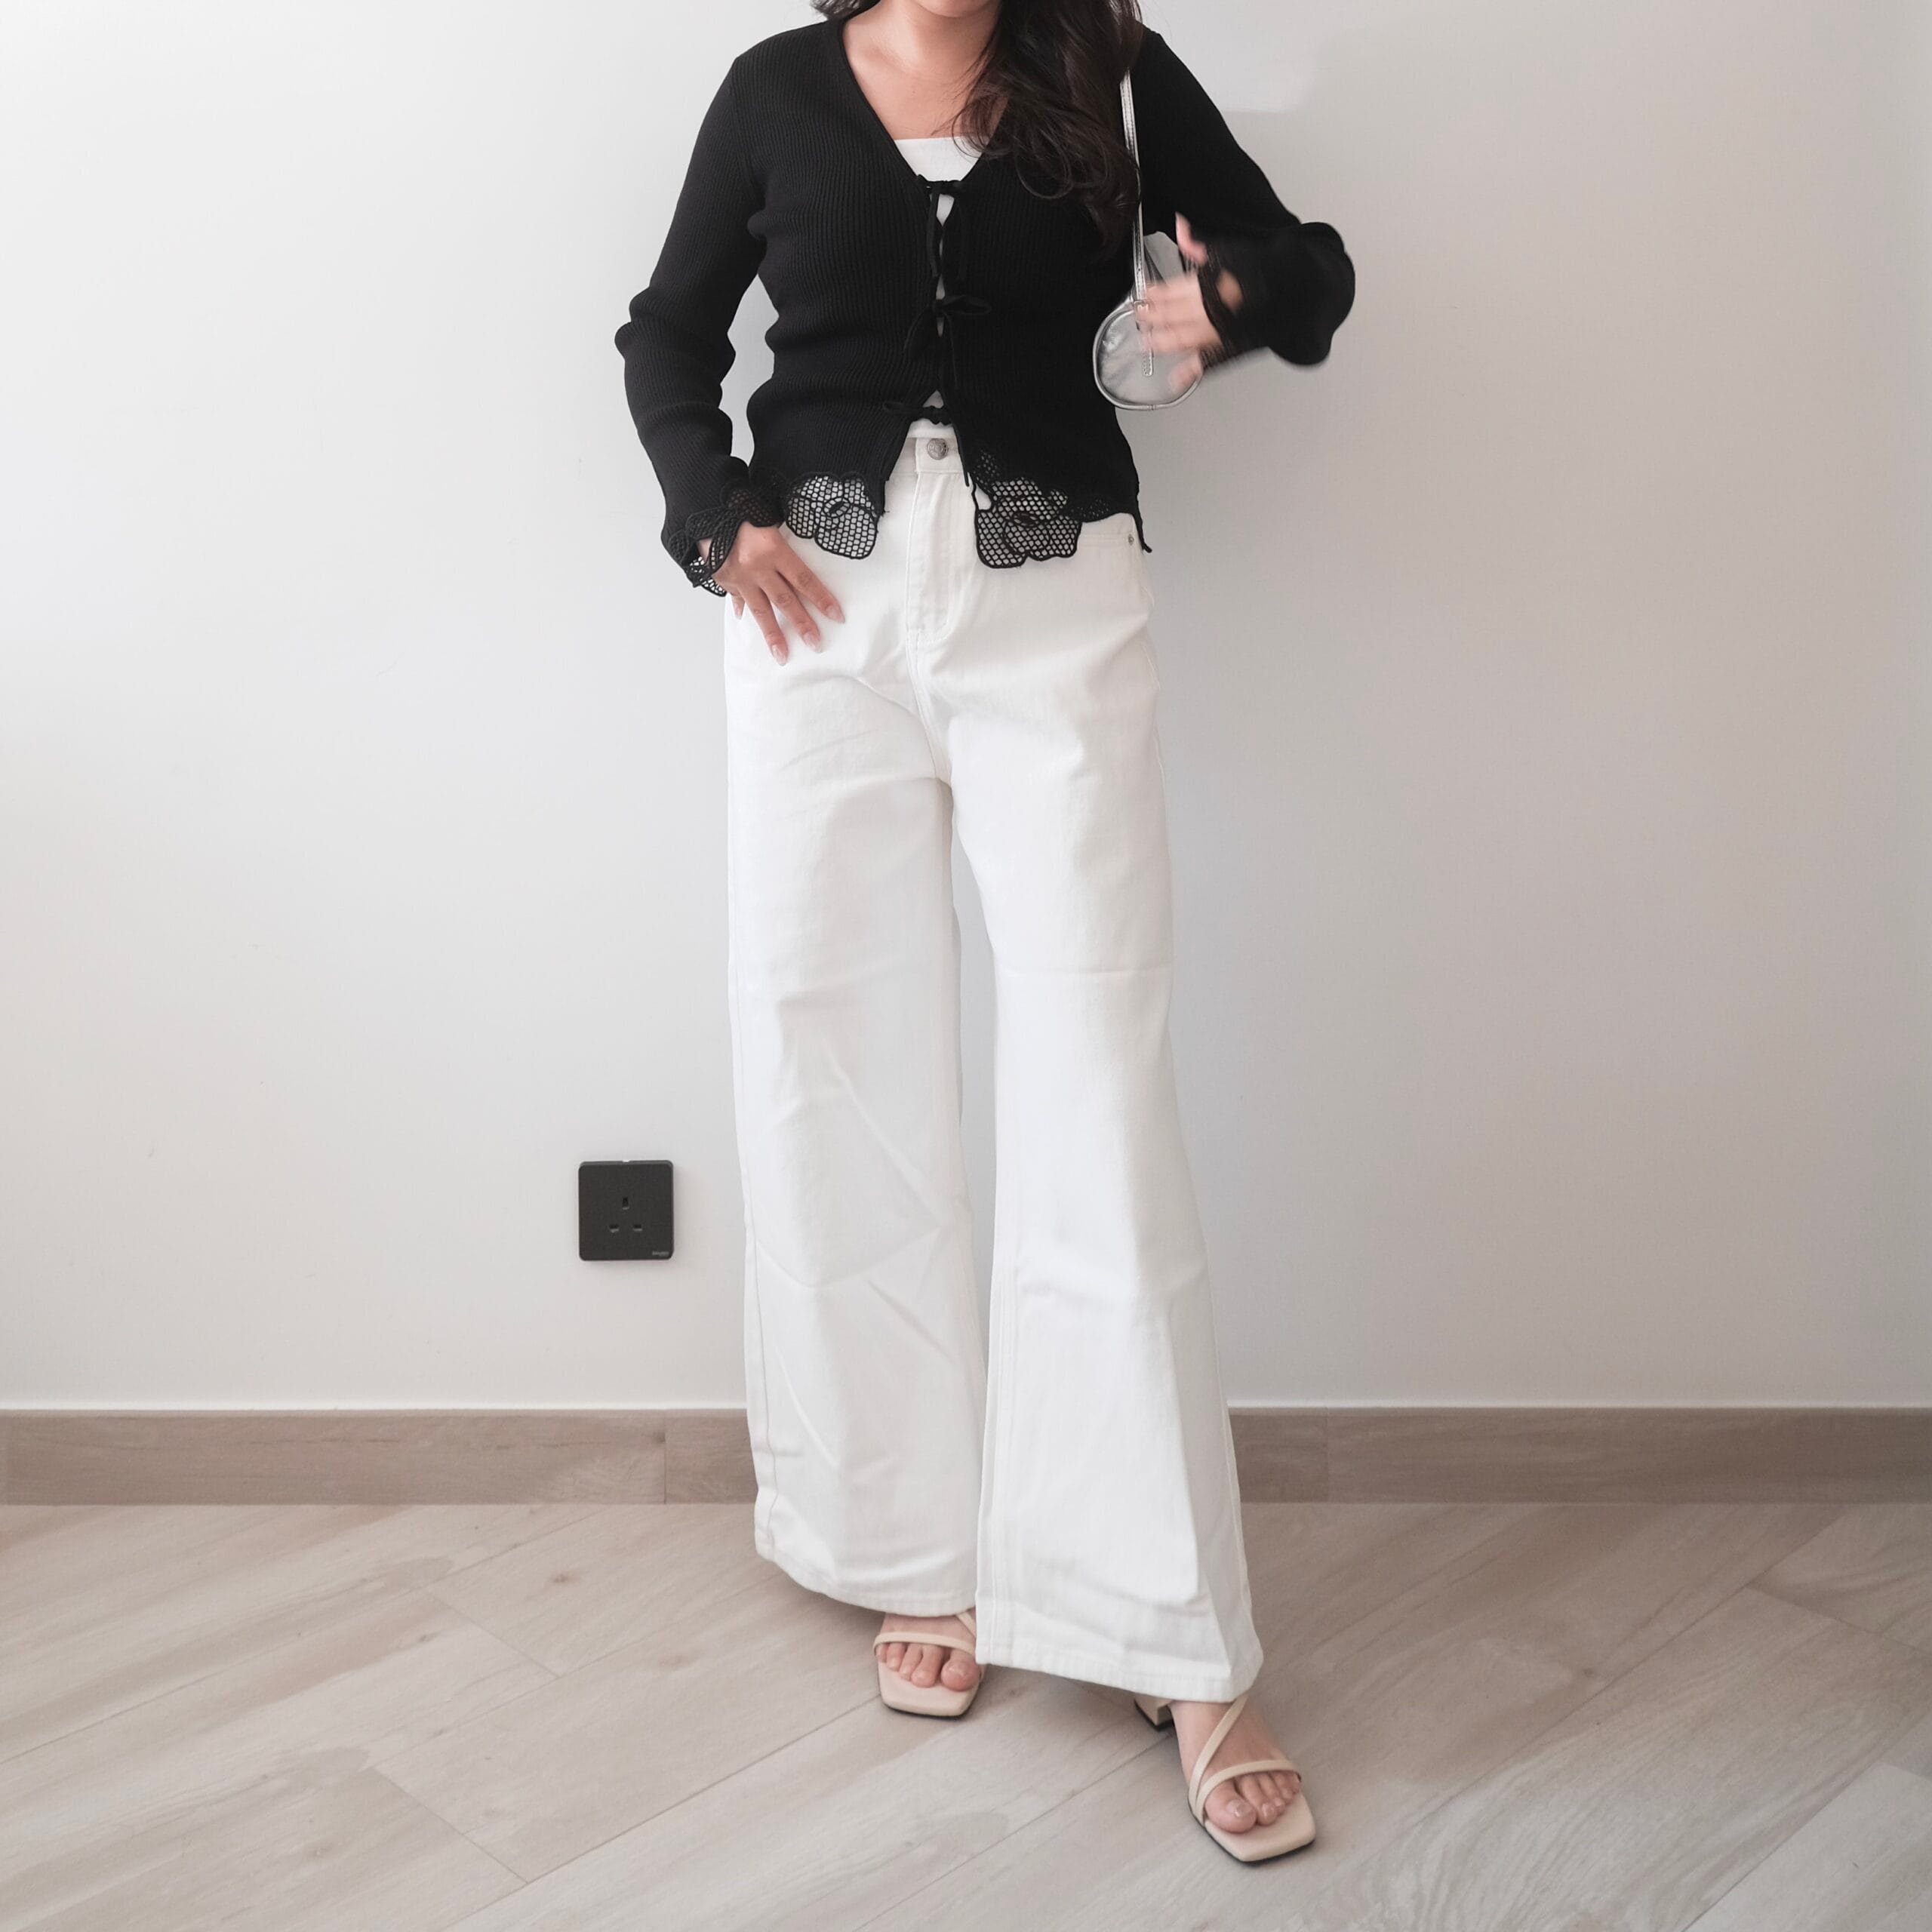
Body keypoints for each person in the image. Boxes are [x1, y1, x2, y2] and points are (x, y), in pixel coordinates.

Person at [614, 0, 1353, 1863]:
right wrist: (711, 519)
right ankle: (907, 1539)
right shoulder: (773, 91)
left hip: (1053, 604)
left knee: (1097, 1073)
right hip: (814, 620)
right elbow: (665, 334)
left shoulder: (1103, 60)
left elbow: (1303, 263)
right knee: (834, 1056)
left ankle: (1166, 1630)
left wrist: (1231, 300)